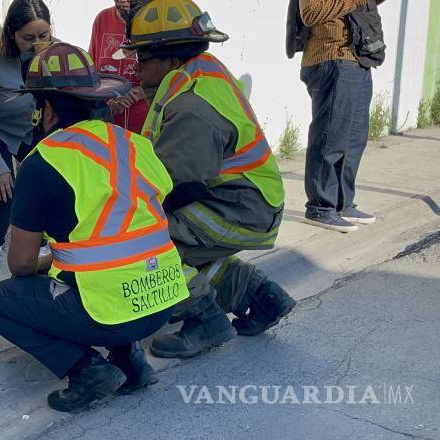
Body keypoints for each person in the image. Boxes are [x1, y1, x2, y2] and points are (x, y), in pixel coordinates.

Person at [0, 43, 191, 413]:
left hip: (108, 313)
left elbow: (22, 265)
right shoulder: (135, 144)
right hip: (163, 300)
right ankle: (131, 362)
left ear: (45, 109)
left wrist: (54, 260)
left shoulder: (41, 161)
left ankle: (88, 370)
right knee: (95, 277)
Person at [120, 0, 296, 359]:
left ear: (169, 58)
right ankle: (261, 296)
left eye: (141, 58)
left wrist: (121, 217)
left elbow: (174, 183)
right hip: (244, 198)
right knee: (186, 247)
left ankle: (204, 320)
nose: (135, 67)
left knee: (144, 244)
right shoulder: (197, 73)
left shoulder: (191, 105)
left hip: (241, 206)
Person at [0, 0, 52, 275]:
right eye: (28, 38)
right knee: (5, 189)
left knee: (42, 183)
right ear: (12, 34)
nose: (37, 44)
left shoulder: (59, 54)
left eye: (43, 35)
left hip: (33, 129)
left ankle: (43, 243)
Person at [288, 0, 386, 232]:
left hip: (358, 57)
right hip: (330, 58)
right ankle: (320, 208)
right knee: (330, 138)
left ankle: (342, 203)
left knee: (354, 139)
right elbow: (310, 13)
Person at [89, 0, 149, 132]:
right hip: (107, 128)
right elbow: (90, 77)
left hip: (145, 128)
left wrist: (138, 93)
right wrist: (108, 102)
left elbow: (171, 76)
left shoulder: (156, 21)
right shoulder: (102, 19)